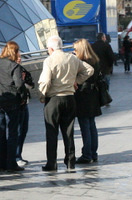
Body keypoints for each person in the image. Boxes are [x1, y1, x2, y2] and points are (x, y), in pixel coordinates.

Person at [38, 35, 94, 171]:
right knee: (68, 132)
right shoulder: (72, 58)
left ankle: (51, 163)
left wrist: (42, 95)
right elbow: (89, 70)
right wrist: (77, 81)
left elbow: (45, 81)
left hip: (54, 99)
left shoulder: (49, 60)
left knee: (52, 132)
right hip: (69, 98)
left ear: (50, 48)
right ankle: (70, 161)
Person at [0, 41, 27, 173]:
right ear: (15, 52)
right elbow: (19, 85)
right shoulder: (15, 66)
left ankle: (0, 164)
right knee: (12, 132)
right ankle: (11, 163)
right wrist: (22, 98)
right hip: (12, 103)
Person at [73, 39, 102, 164]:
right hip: (94, 95)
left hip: (83, 95)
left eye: (75, 49)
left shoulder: (81, 62)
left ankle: (87, 154)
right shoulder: (95, 60)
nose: (74, 51)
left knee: (85, 125)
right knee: (91, 125)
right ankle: (93, 153)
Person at [16, 57, 34, 167]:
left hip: (24, 103)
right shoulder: (13, 69)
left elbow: (31, 84)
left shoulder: (22, 69)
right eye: (17, 56)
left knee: (23, 130)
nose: (19, 59)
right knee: (18, 130)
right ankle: (16, 156)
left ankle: (18, 155)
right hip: (17, 103)